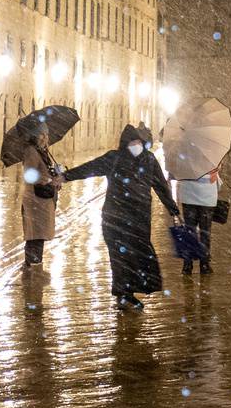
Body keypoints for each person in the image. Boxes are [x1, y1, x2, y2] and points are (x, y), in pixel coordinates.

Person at [63, 123, 183, 311]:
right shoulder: (114, 158)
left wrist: (173, 210)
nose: (135, 145)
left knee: (139, 255)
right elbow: (88, 169)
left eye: (138, 142)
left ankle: (128, 292)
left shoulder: (149, 160)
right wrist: (64, 176)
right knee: (119, 256)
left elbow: (161, 186)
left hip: (139, 219)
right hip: (115, 217)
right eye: (132, 142)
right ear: (125, 143)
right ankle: (124, 294)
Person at [19, 126, 63, 267]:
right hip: (35, 201)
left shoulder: (42, 152)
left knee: (39, 236)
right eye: (41, 135)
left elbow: (44, 172)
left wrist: (56, 175)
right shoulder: (31, 151)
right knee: (35, 236)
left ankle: (34, 269)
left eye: (46, 134)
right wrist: (50, 180)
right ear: (34, 136)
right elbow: (30, 175)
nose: (44, 138)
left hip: (43, 200)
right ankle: (32, 268)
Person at [175, 164, 219, 275]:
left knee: (189, 231)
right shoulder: (212, 155)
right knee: (205, 232)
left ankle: (187, 265)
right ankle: (204, 265)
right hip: (207, 196)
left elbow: (178, 172)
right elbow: (214, 178)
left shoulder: (184, 151)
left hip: (188, 194)